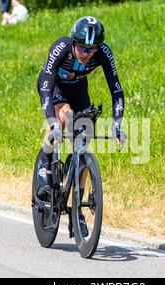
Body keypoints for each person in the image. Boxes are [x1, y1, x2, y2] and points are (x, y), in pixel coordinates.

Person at [35, 16, 126, 236]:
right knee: (64, 117)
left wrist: (117, 123)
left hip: (78, 88)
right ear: (74, 42)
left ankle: (77, 208)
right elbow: (46, 83)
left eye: (92, 50)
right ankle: (45, 165)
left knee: (84, 139)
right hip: (54, 86)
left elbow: (116, 89)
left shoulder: (103, 52)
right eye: (83, 48)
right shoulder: (61, 47)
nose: (87, 54)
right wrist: (52, 122)